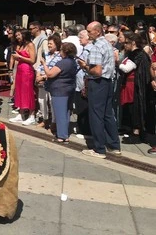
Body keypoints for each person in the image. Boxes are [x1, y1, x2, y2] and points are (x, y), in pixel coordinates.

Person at [78, 21, 121, 159]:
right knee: (108, 114)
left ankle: (99, 148)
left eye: (90, 31)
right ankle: (114, 145)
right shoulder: (107, 44)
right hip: (107, 82)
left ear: (97, 31)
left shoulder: (96, 46)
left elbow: (96, 71)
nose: (88, 34)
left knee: (96, 115)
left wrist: (85, 66)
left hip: (98, 82)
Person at [119, 32, 151, 145]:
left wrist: (119, 64)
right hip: (129, 84)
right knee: (130, 108)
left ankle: (136, 132)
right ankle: (131, 129)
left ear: (133, 43)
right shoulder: (132, 53)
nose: (124, 45)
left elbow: (126, 68)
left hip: (136, 86)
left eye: (126, 43)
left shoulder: (138, 54)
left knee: (135, 109)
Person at [41, 42, 78, 143]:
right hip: (69, 88)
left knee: (60, 113)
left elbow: (50, 74)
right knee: (66, 112)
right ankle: (64, 133)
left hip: (60, 90)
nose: (59, 52)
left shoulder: (63, 62)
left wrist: (44, 64)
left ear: (65, 51)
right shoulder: (73, 61)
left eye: (61, 50)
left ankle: (62, 135)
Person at [9, 29, 37, 123]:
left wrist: (20, 57)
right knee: (19, 91)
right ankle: (21, 113)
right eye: (16, 35)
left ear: (24, 35)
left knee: (28, 92)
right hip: (20, 69)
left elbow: (33, 60)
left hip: (27, 70)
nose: (17, 37)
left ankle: (31, 115)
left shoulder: (30, 45)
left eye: (19, 35)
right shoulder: (20, 45)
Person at [35, 35, 62, 129]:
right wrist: (38, 75)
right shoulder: (45, 54)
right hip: (42, 81)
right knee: (41, 101)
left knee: (51, 101)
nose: (49, 45)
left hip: (52, 81)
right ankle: (45, 119)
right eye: (48, 43)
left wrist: (43, 77)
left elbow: (56, 70)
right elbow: (40, 66)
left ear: (56, 44)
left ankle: (54, 121)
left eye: (51, 43)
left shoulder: (59, 56)